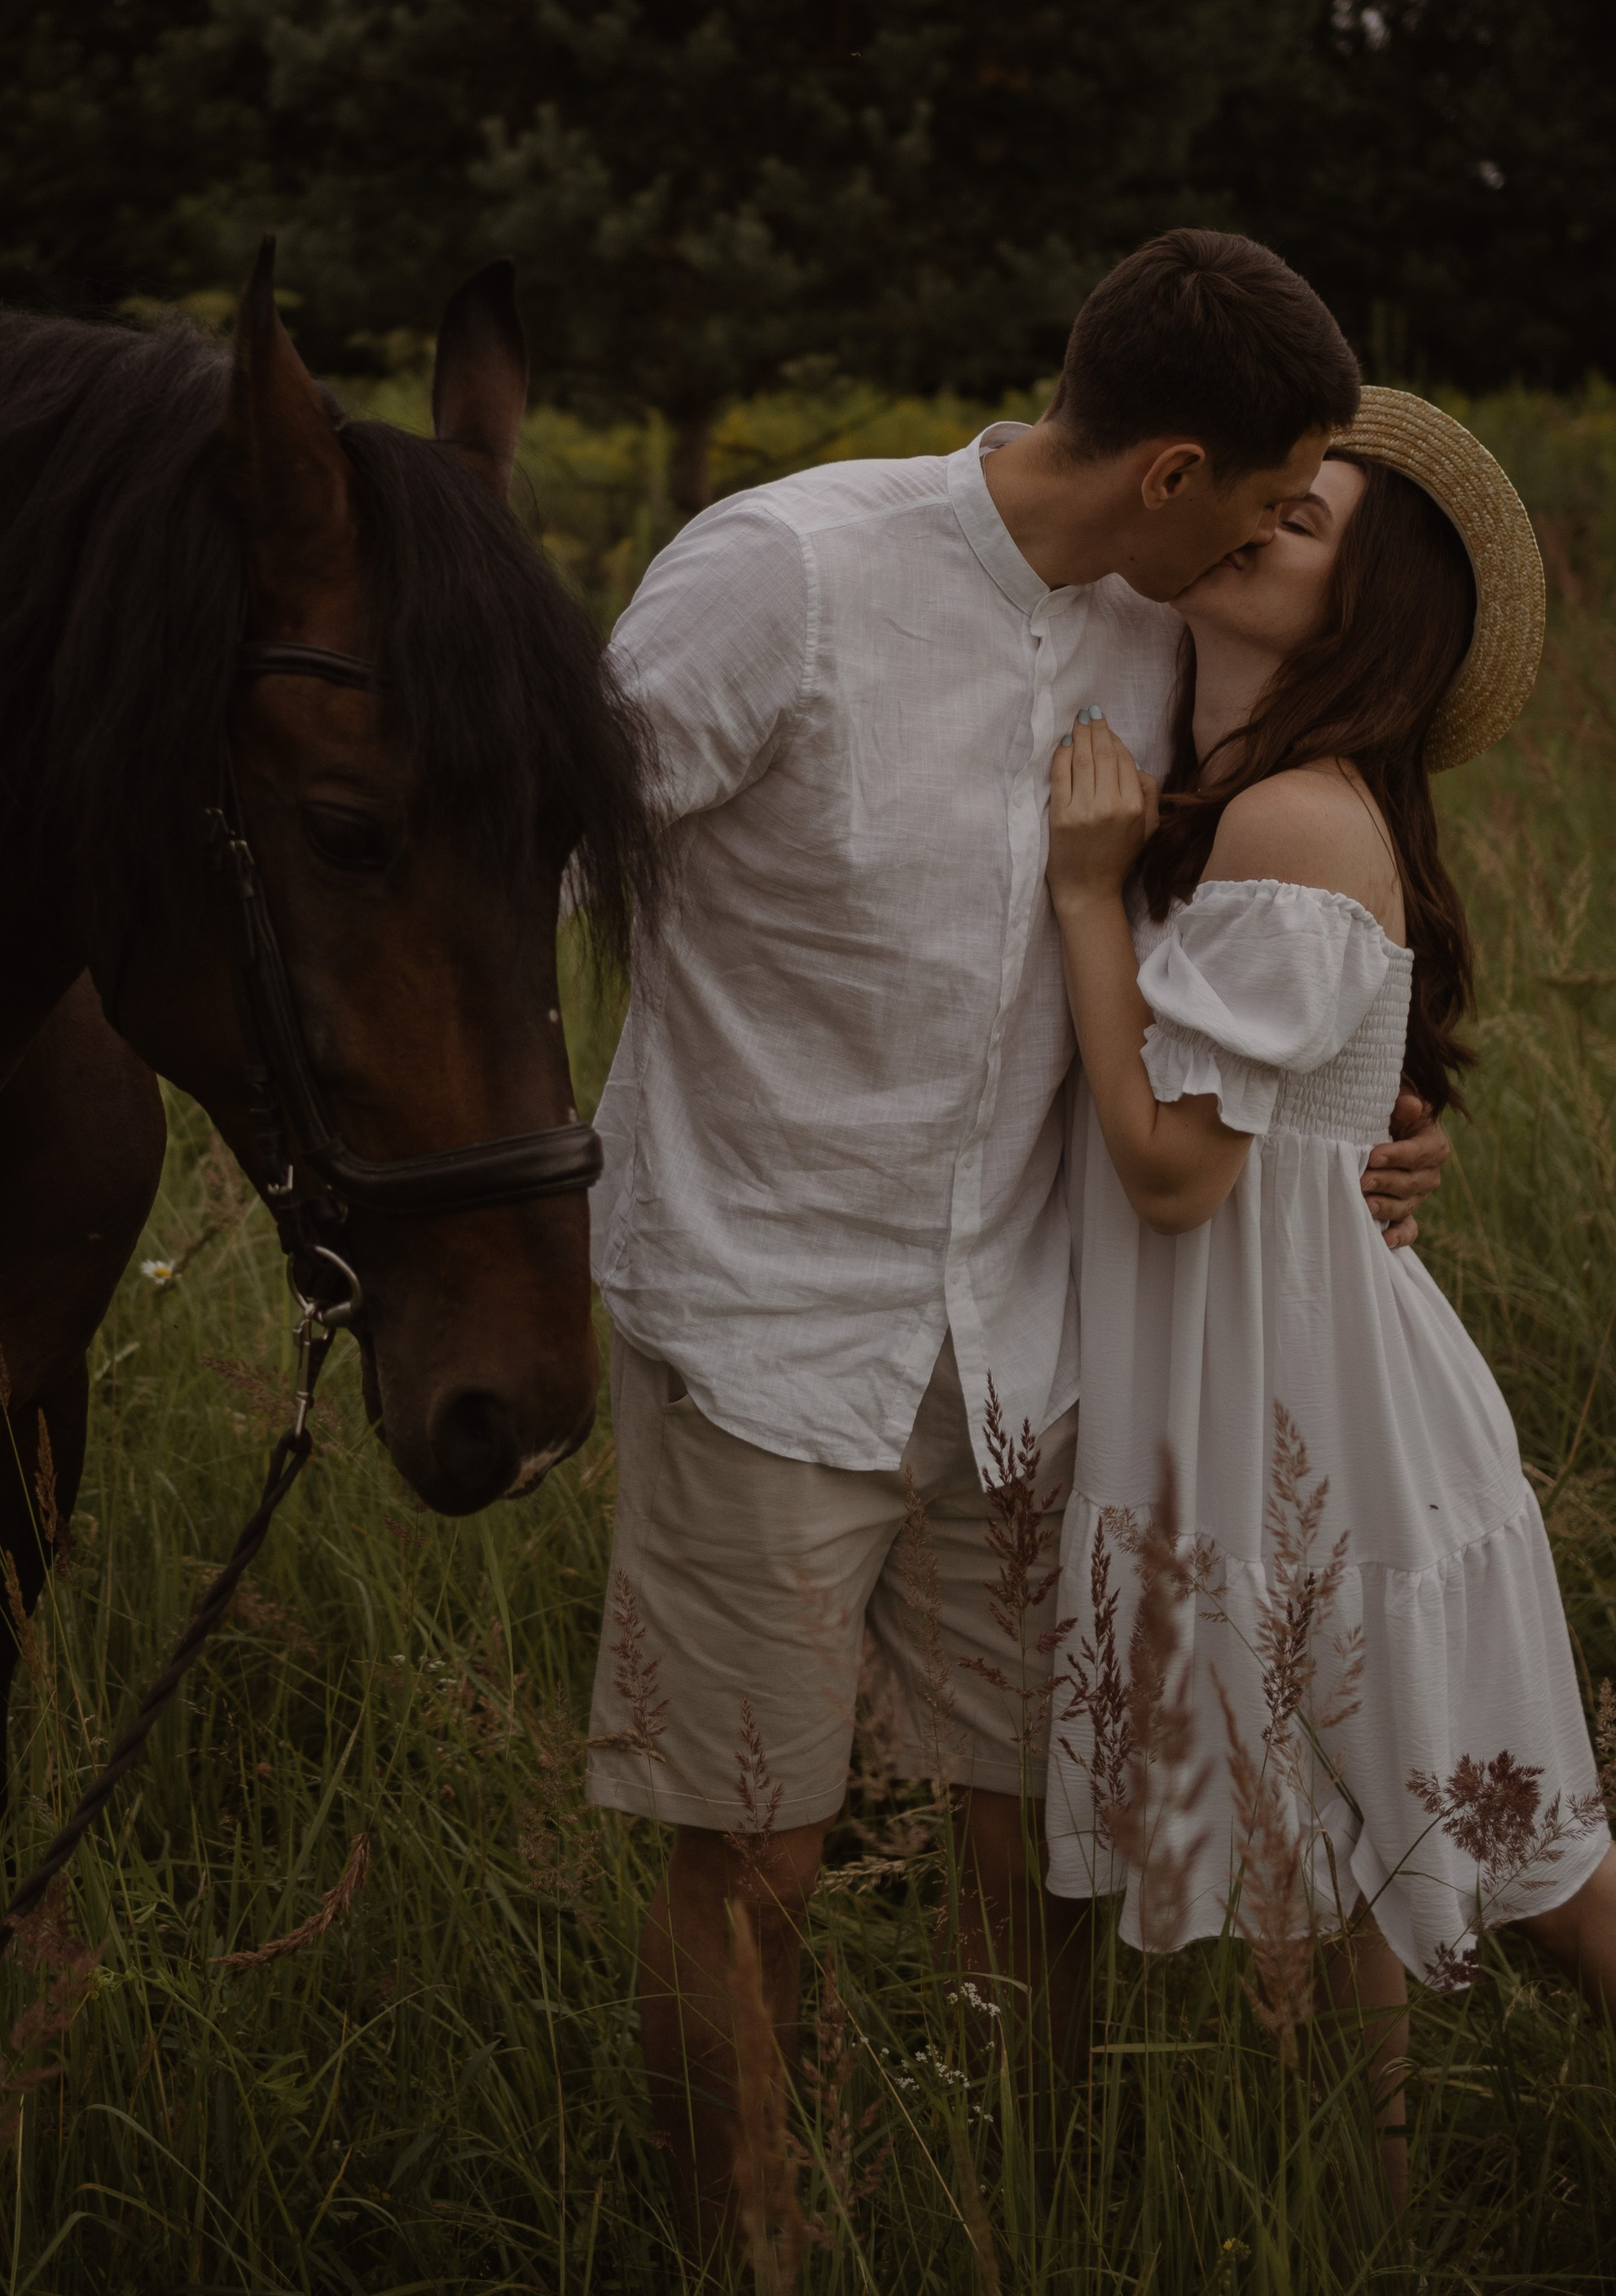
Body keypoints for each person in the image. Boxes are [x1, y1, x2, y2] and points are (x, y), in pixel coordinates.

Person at [582, 230, 1451, 2263]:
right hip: (761, 1322)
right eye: (1265, 490)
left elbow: (1279, 941)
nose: (1268, 536)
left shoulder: (1166, 632)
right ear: (1167, 469)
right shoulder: (780, 577)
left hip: (1039, 1347)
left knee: (1033, 1848)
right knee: (753, 1858)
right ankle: (749, 2259)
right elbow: (525, 846)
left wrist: (1371, 1146)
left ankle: (1008, 2224)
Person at [1043, 386, 1616, 2202]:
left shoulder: (1290, 821)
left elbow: (1166, 1167)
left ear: (1366, 613)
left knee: (1528, 1862)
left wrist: (1076, 893)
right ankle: (1355, 2207)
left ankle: (1351, 2196)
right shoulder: (1237, 794)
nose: (1250, 520)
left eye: (1299, 525)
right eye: (1267, 497)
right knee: (1328, 1828)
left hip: (1323, 1415)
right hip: (1264, 1376)